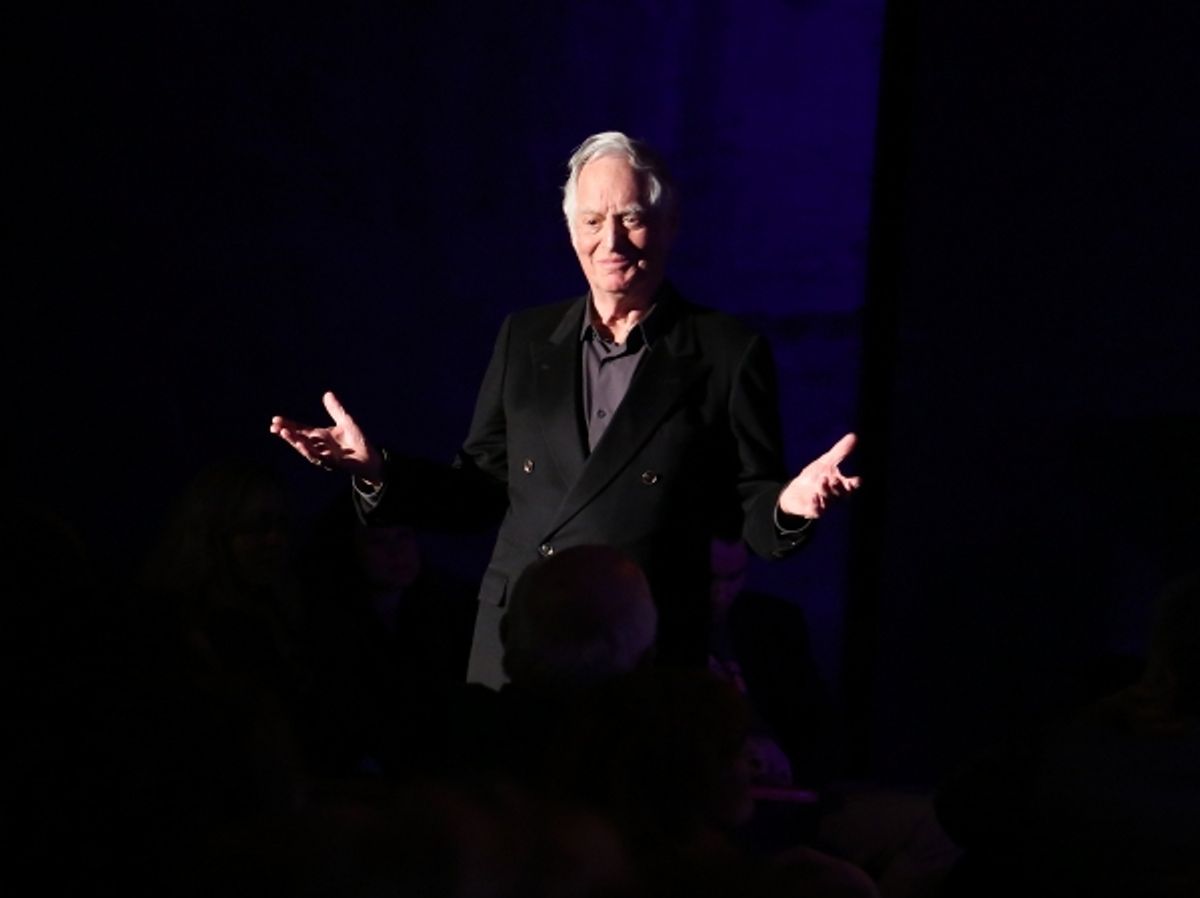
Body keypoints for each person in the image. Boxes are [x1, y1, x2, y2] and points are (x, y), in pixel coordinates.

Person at [269, 130, 860, 689]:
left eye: (631, 218)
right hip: (519, 640)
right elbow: (477, 490)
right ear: (571, 230)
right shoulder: (525, 340)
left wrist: (791, 503)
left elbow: (753, 514)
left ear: (669, 225)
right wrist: (377, 471)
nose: (612, 242)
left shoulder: (726, 352)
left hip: (639, 649)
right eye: (593, 221)